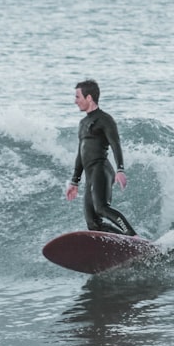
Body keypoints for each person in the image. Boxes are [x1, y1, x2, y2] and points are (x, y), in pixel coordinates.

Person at [65, 79, 137, 236]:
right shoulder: (83, 123)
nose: (75, 101)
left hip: (102, 169)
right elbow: (81, 153)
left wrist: (120, 169)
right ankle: (123, 241)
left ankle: (133, 237)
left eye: (78, 97)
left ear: (89, 98)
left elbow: (115, 144)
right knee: (93, 223)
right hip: (90, 174)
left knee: (102, 208)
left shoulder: (105, 119)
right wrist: (74, 181)